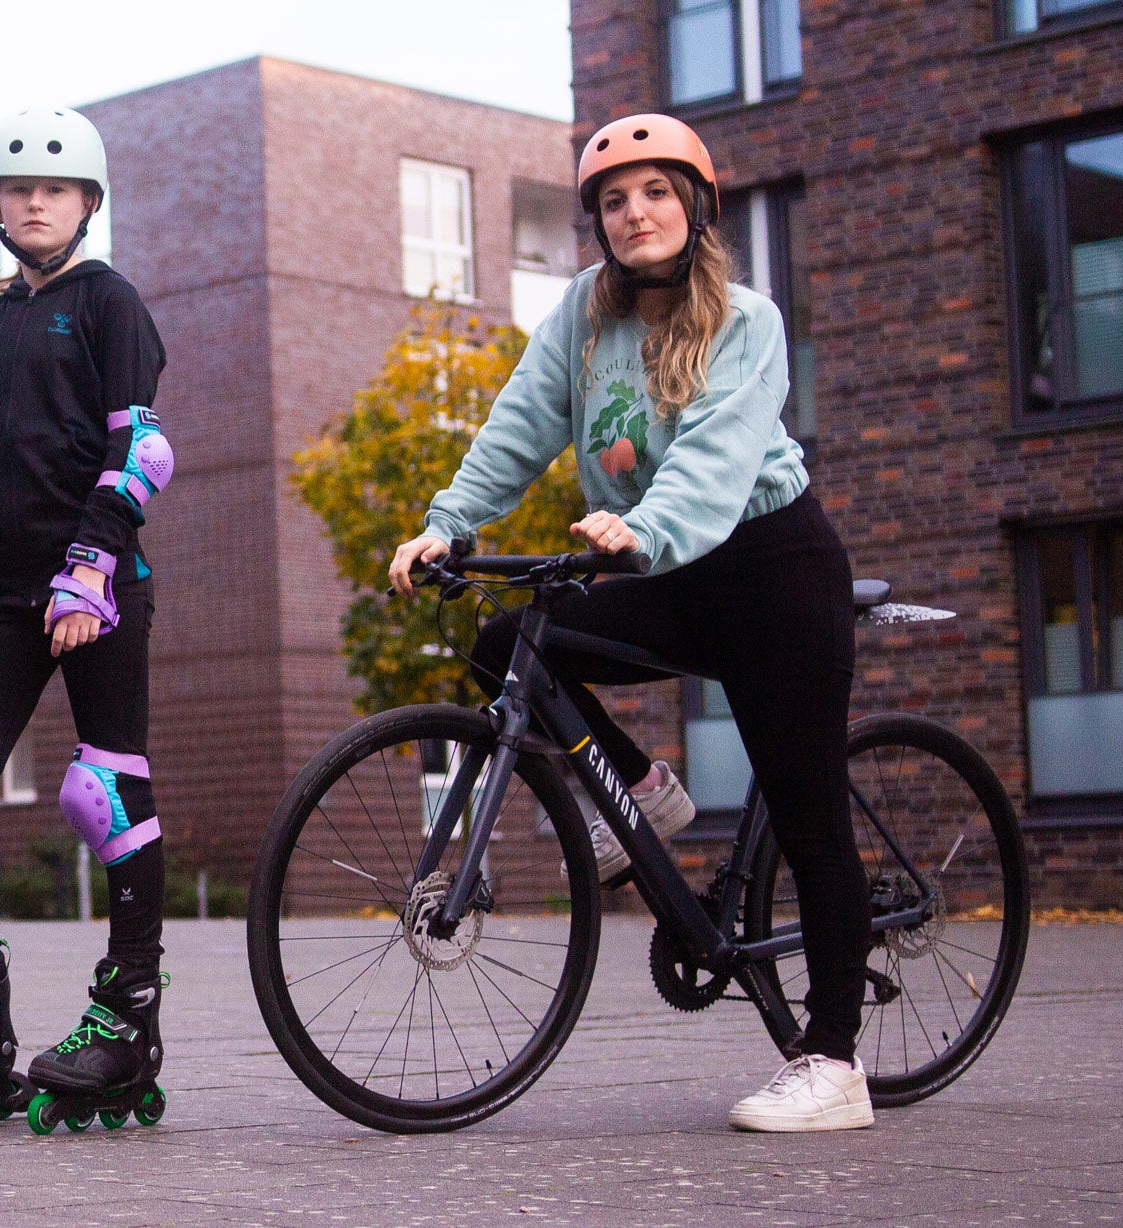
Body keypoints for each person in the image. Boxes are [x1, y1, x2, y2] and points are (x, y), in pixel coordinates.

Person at [387, 113, 875, 1133]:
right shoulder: (584, 314)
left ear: (695, 208)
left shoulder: (748, 321)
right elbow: (520, 420)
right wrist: (447, 524)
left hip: (770, 566)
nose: (634, 212)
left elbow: (712, 457)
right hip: (659, 555)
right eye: (614, 200)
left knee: (809, 807)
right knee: (505, 643)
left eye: (655, 193)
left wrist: (639, 530)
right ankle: (644, 796)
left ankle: (833, 1061)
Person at [0, 107, 176, 1130]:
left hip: (96, 581)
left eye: (54, 189)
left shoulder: (110, 304)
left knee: (103, 792)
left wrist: (92, 563)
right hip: (5, 592)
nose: (35, 201)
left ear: (89, 203)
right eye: (16, 190)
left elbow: (141, 449)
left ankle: (127, 1011)